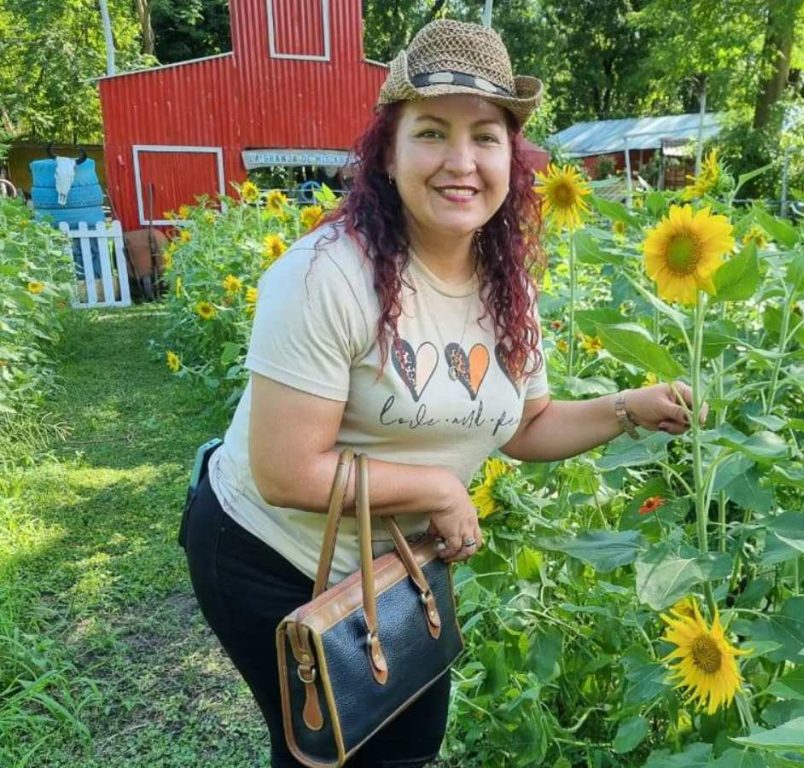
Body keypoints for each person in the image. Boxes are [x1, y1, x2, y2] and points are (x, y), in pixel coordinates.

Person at [184, 18, 702, 768]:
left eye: (485, 136)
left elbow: (527, 424)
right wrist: (434, 487)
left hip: (397, 565)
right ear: (387, 155)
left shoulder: (506, 283)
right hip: (268, 554)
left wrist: (628, 408)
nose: (461, 161)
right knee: (328, 751)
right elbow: (286, 471)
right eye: (431, 133)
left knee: (409, 745)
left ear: (512, 158)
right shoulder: (323, 277)